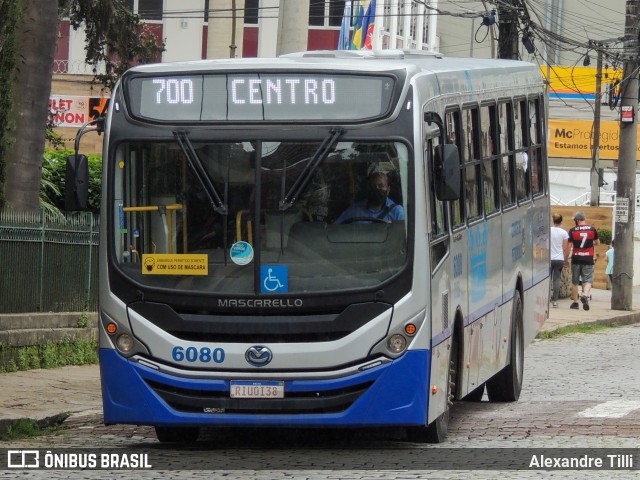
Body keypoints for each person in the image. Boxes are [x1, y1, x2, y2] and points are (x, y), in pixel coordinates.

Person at [334, 171, 405, 224]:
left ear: (388, 189)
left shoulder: (397, 212)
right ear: (368, 188)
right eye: (373, 186)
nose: (376, 189)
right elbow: (335, 230)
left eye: (381, 186)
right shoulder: (354, 210)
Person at [567, 211, 600, 311]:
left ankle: (575, 303)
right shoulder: (592, 229)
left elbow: (569, 246)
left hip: (576, 258)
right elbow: (598, 243)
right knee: (588, 280)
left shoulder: (572, 231)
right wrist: (590, 244)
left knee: (575, 282)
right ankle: (585, 295)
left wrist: (565, 259)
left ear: (576, 220)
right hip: (588, 258)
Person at [549, 213, 570, 308]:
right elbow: (565, 248)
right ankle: (555, 301)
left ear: (553, 221)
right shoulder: (564, 233)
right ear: (561, 221)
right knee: (556, 279)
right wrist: (565, 260)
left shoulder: (548, 230)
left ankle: (547, 298)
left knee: (547, 279)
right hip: (559, 258)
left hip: (549, 259)